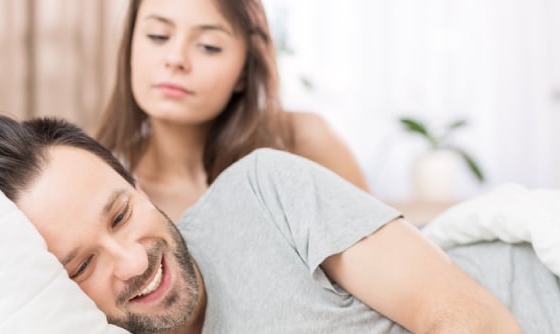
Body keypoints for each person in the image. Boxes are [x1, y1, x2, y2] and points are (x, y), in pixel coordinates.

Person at [0, 115, 525, 334]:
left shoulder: (262, 190)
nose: (131, 262)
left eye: (121, 214)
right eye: (81, 266)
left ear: (137, 184)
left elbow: (479, 325)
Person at [95, 0, 369, 220]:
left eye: (208, 46)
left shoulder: (302, 141)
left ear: (243, 72)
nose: (175, 59)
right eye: (158, 36)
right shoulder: (108, 190)